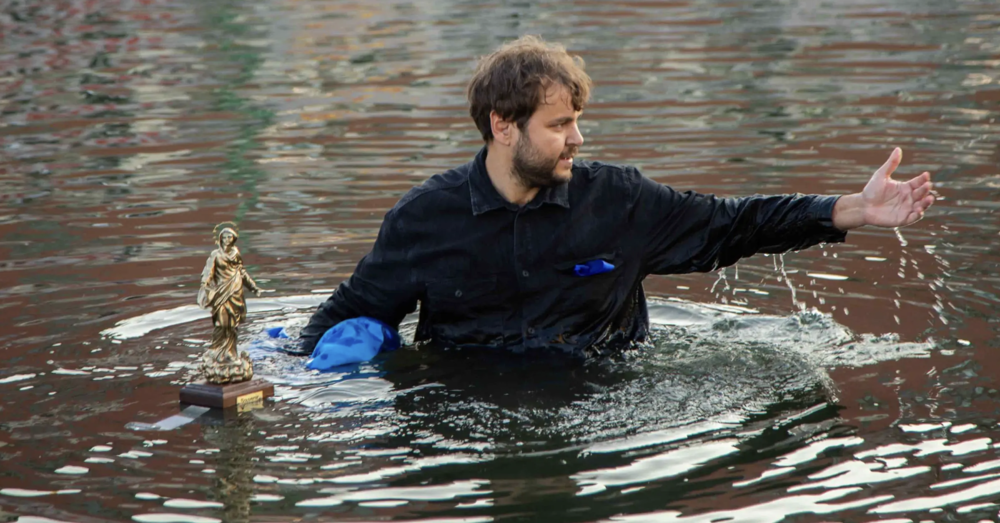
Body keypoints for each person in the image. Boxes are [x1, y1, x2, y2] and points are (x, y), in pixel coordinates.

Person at [295, 35, 934, 358]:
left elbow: (730, 225)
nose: (577, 138)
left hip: (600, 410)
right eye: (558, 125)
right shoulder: (423, 220)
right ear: (501, 125)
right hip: (465, 426)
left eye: (577, 120)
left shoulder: (619, 202)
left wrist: (849, 209)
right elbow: (344, 314)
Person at [197, 223, 263, 382]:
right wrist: (205, 286)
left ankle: (230, 353)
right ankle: (218, 351)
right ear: (220, 239)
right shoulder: (216, 255)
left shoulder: (236, 254)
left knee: (233, 325)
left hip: (235, 292)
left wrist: (254, 288)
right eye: (224, 237)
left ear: (234, 239)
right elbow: (208, 273)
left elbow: (242, 272)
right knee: (221, 323)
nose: (227, 240)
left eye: (230, 237)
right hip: (221, 293)